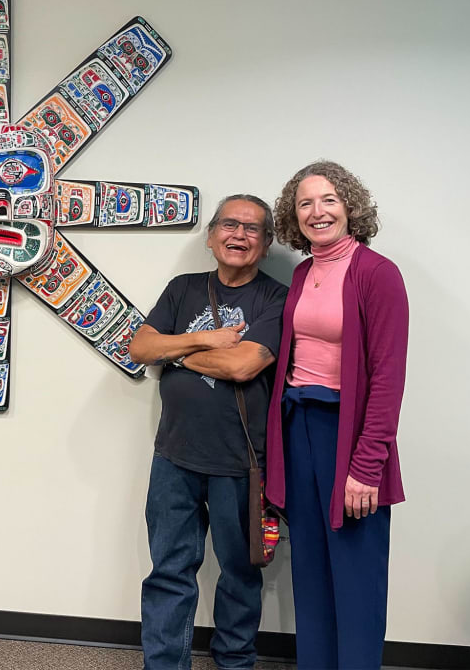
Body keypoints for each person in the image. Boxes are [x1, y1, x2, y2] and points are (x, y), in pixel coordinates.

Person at [130, 194, 288, 670]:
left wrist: (173, 351)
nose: (238, 235)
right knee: (169, 573)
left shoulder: (278, 298)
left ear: (265, 243)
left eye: (252, 229)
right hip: (173, 457)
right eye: (229, 224)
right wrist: (203, 339)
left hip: (241, 464)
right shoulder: (183, 288)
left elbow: (243, 365)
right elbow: (139, 346)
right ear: (210, 235)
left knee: (240, 574)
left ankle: (234, 663)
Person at [265, 162, 408, 669]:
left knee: (356, 580)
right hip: (298, 427)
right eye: (305, 203)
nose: (317, 211)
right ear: (293, 215)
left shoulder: (377, 273)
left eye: (328, 199)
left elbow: (388, 379)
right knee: (311, 574)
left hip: (348, 436)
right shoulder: (304, 272)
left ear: (350, 206)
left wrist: (366, 465)